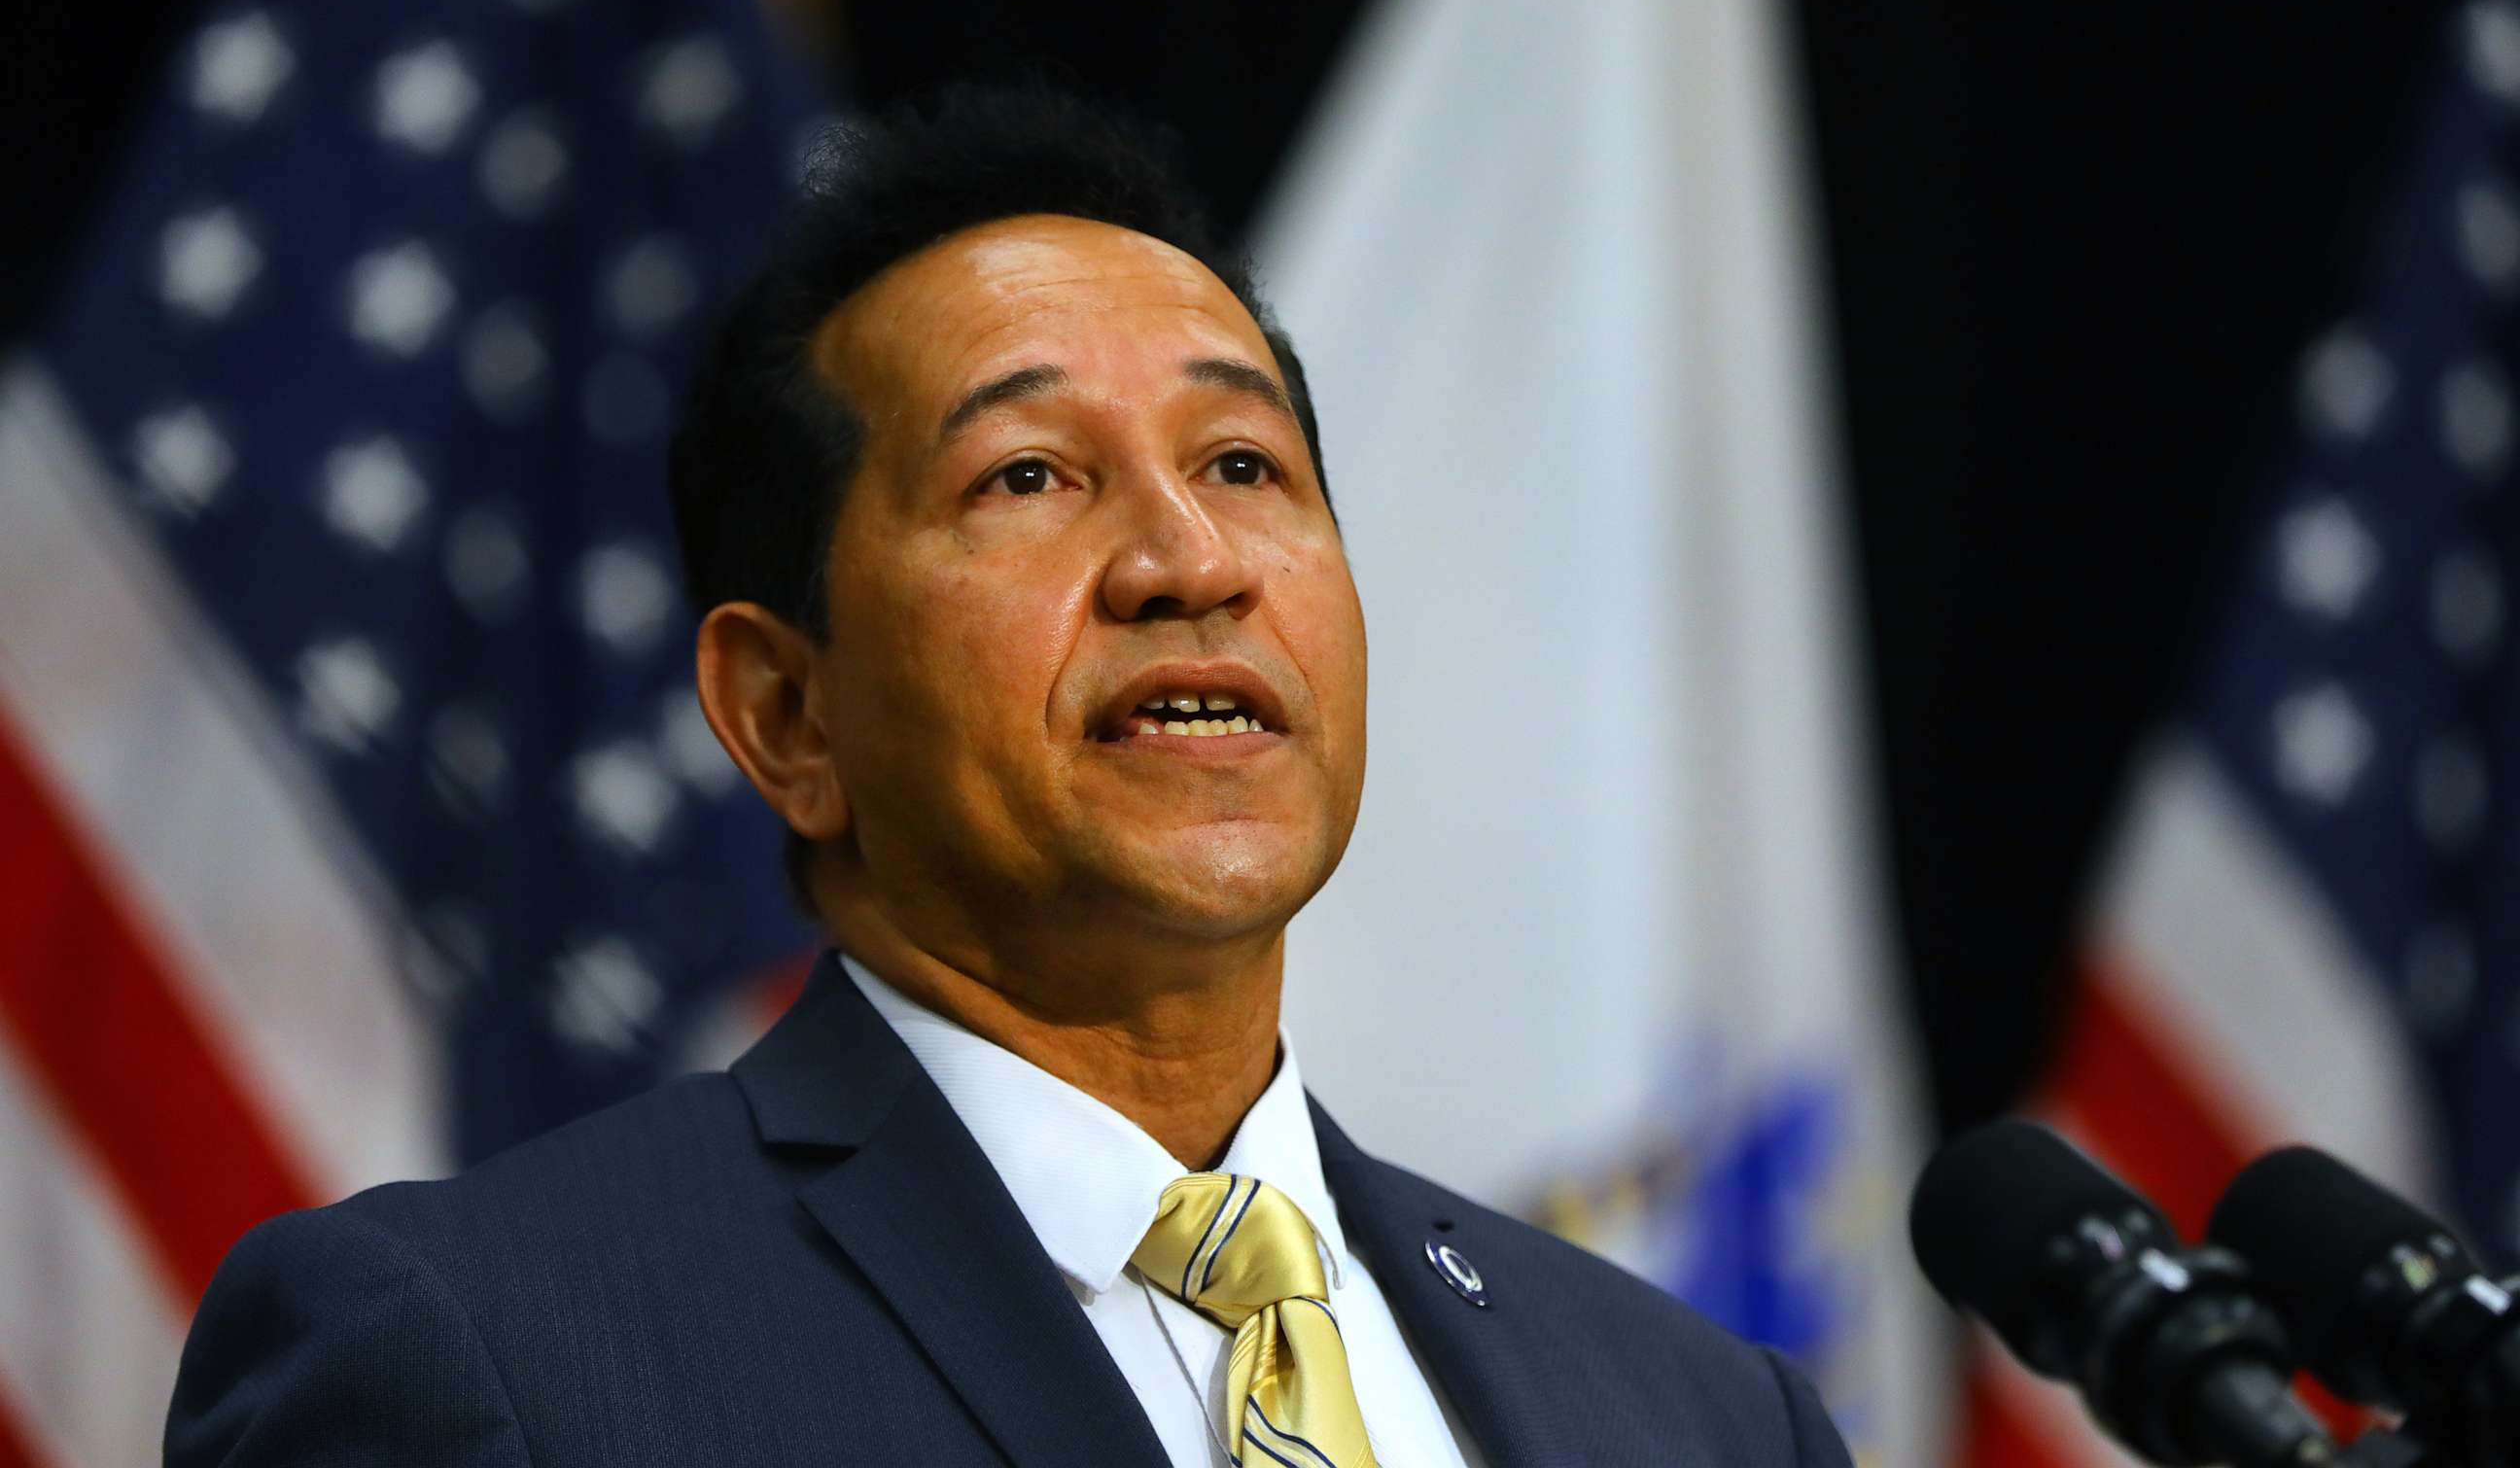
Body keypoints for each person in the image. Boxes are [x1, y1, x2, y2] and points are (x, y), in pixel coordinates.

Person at [166, 83, 1853, 1467]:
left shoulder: (1703, 1416)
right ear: (785, 712)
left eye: (1244, 461)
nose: (1188, 560)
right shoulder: (485, 1360)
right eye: (1032, 473)